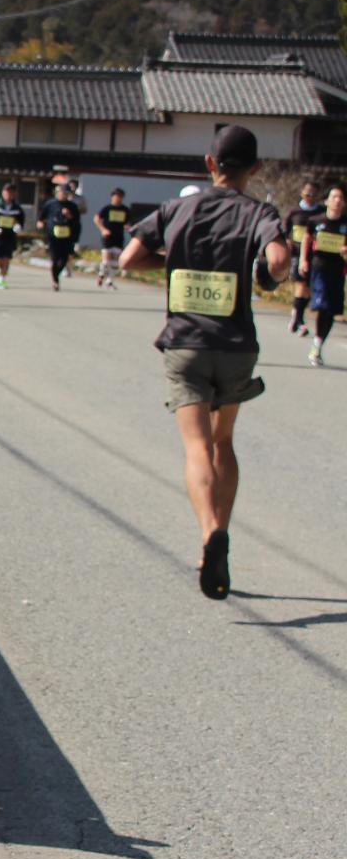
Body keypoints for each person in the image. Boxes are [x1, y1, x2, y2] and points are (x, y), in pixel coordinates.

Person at [119, 125, 290, 600]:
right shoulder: (259, 212)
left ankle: (209, 532)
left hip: (186, 343)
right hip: (236, 345)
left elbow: (129, 259)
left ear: (210, 164)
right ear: (254, 169)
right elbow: (277, 262)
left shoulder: (179, 208)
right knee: (223, 441)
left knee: (196, 447)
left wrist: (171, 265)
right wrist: (269, 274)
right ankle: (221, 532)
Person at [300, 182, 346, 365]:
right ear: (327, 201)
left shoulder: (345, 223)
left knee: (332, 310)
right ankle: (317, 346)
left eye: (341, 198)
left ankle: (317, 344)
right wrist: (303, 259)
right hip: (319, 267)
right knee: (322, 305)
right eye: (334, 197)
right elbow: (306, 239)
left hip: (338, 269)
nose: (337, 201)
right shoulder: (315, 221)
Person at [286, 178, 322, 336]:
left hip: (315, 255)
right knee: (300, 284)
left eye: (314, 194)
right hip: (296, 254)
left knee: (308, 289)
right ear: (301, 192)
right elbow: (286, 232)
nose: (310, 196)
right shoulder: (294, 212)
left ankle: (296, 314)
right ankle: (299, 320)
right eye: (308, 192)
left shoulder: (320, 212)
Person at [93, 188, 133, 289]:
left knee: (116, 262)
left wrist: (129, 228)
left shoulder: (125, 209)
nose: (118, 198)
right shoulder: (107, 208)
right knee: (106, 261)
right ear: (112, 196)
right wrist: (103, 230)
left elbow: (127, 223)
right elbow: (97, 219)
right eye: (116, 196)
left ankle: (109, 281)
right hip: (108, 237)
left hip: (119, 237)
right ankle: (101, 274)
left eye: (120, 196)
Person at [0, 182, 25, 290]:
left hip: (10, 236)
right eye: (6, 192)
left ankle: (2, 279)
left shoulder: (17, 208)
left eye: (11, 192)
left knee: (6, 259)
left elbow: (20, 221)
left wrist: (18, 226)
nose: (8, 194)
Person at [45, 187, 82, 291]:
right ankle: (55, 281)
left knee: (64, 260)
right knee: (54, 259)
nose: (63, 194)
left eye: (65, 193)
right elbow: (43, 216)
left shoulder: (73, 206)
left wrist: (69, 216)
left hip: (67, 237)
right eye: (61, 192)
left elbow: (77, 223)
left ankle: (56, 275)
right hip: (53, 237)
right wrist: (41, 223)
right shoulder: (50, 204)